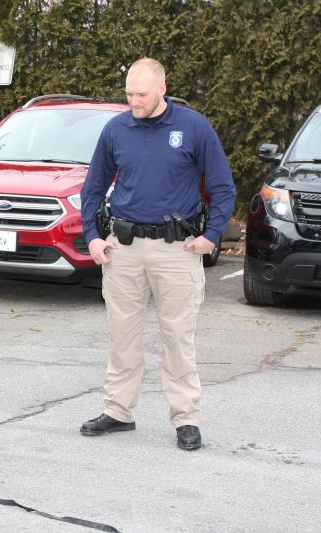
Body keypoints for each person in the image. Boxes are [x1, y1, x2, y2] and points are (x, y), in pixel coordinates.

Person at [79, 58, 236, 451]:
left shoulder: (194, 127)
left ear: (162, 88)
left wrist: (211, 236)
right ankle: (118, 411)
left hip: (175, 250)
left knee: (177, 337)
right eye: (129, 93)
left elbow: (223, 187)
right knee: (122, 336)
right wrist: (94, 238)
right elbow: (92, 188)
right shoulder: (116, 129)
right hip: (124, 249)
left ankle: (186, 419)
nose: (133, 101)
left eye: (141, 94)